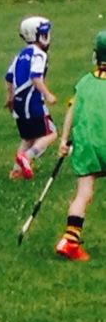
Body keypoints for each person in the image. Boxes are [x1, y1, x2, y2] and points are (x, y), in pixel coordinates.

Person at [54, 31, 106, 261]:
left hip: (86, 144)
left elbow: (71, 111)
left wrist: (64, 140)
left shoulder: (84, 82)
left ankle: (70, 240)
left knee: (84, 192)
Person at [5, 16, 58, 180]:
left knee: (28, 137)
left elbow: (8, 77)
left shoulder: (21, 54)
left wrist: (10, 98)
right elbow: (36, 77)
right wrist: (47, 94)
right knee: (51, 134)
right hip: (32, 102)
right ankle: (27, 157)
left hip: (19, 104)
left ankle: (16, 171)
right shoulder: (39, 55)